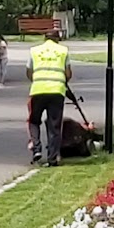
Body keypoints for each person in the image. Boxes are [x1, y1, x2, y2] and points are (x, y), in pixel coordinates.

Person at [27, 25, 72, 167]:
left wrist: (37, 80)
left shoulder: (35, 50)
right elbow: (68, 73)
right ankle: (52, 158)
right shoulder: (63, 51)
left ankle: (36, 148)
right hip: (57, 91)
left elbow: (29, 71)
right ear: (58, 39)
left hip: (38, 90)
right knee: (54, 126)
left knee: (34, 121)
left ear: (44, 38)